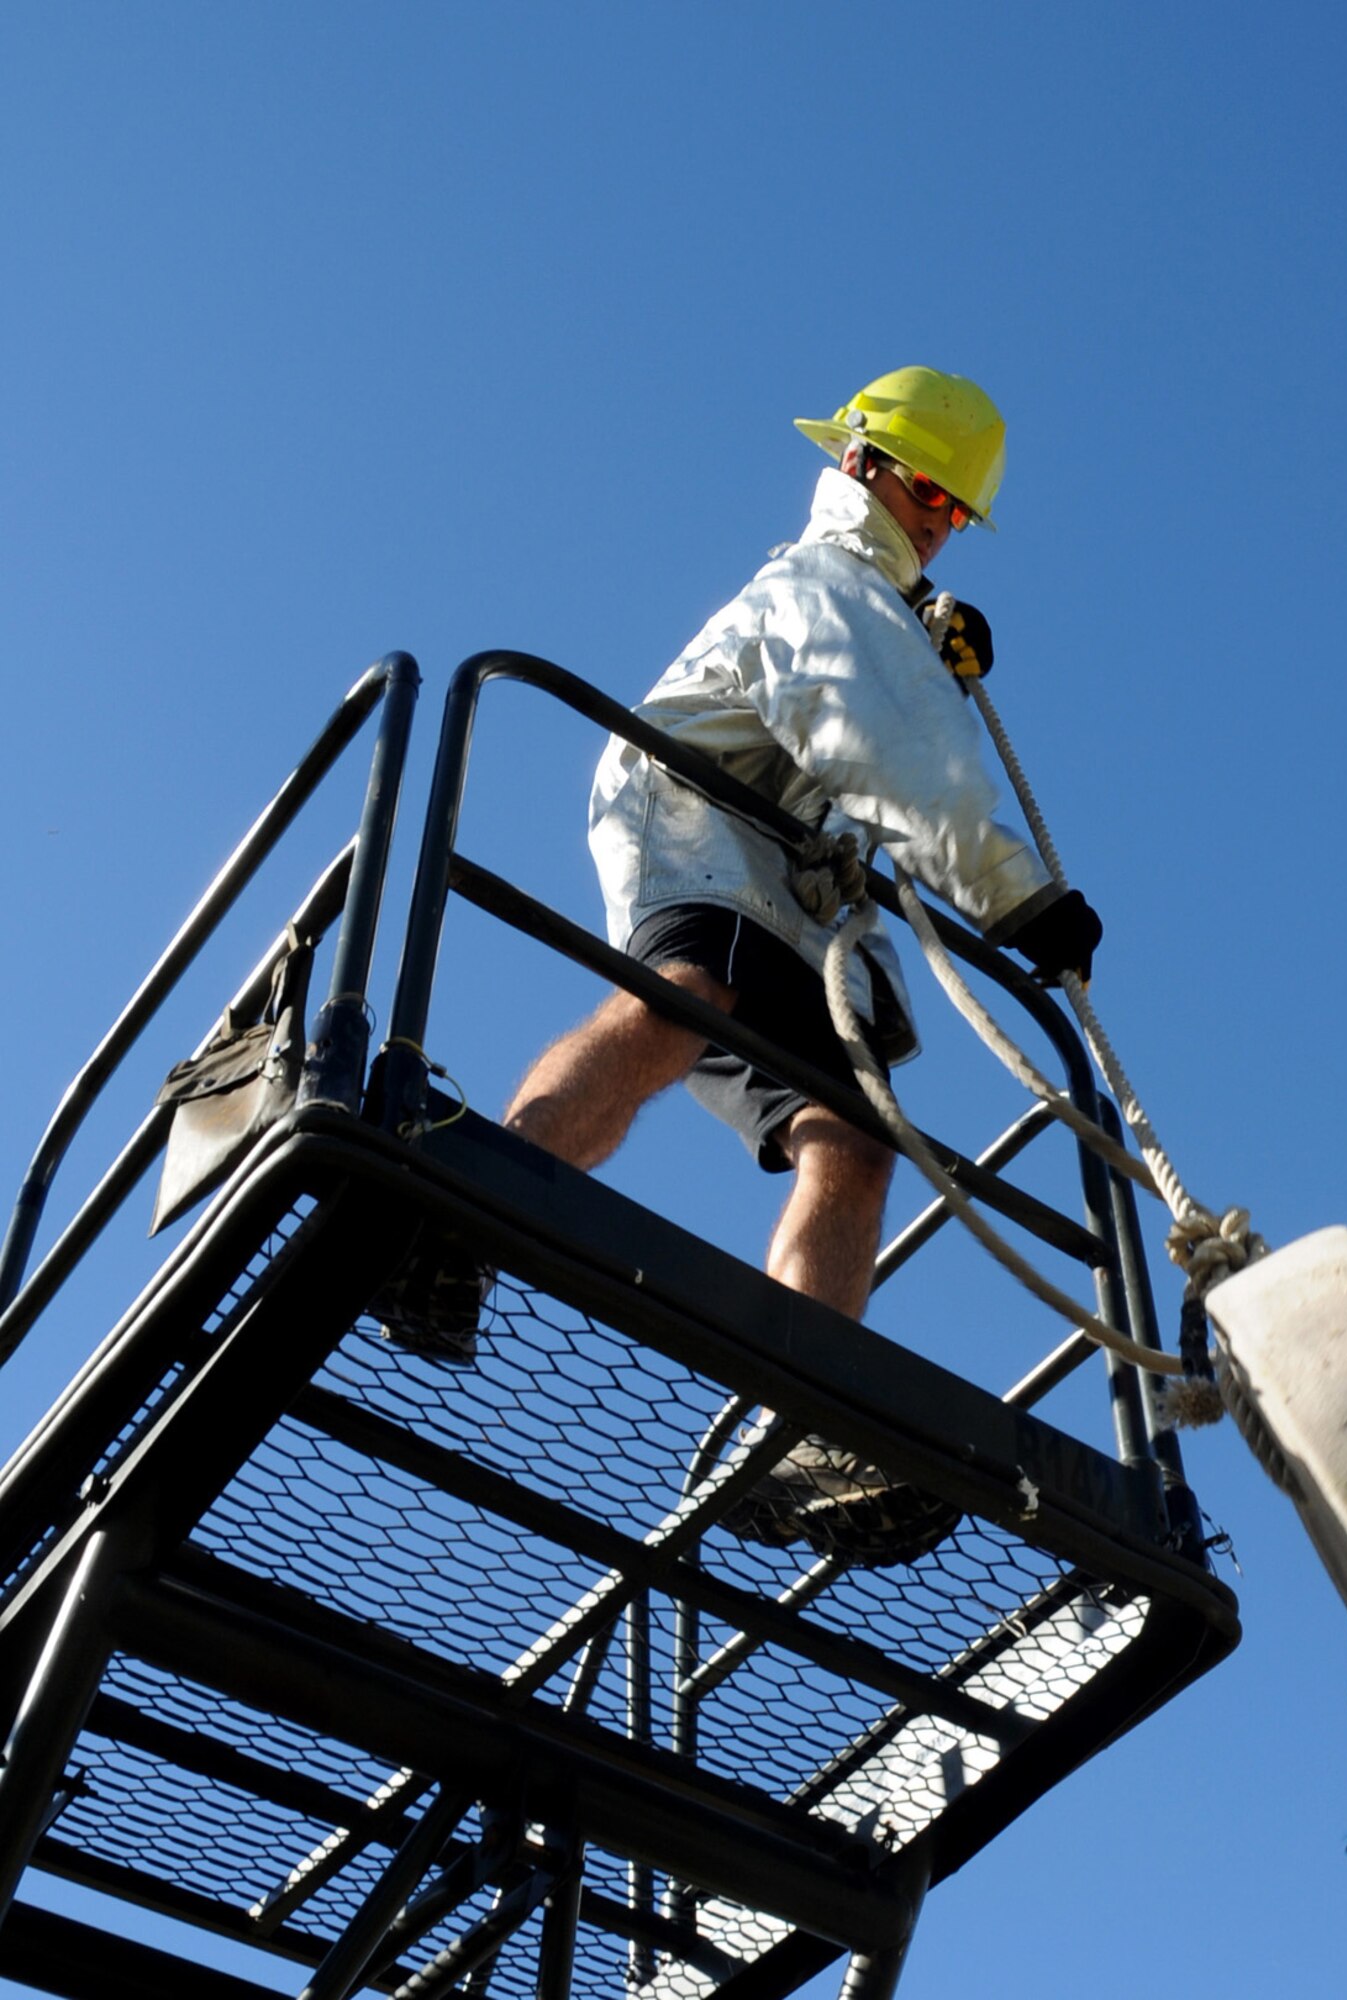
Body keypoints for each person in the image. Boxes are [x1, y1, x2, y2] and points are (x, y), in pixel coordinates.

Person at [381, 366, 1102, 1563]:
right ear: (865, 463)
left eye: (958, 510)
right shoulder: (821, 586)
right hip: (697, 812)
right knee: (684, 999)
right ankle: (455, 1210)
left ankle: (798, 1429)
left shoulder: (887, 608)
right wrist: (1019, 893)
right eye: (929, 488)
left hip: (793, 879)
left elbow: (887, 731)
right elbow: (882, 744)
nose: (939, 519)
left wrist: (925, 633)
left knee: (854, 1138)